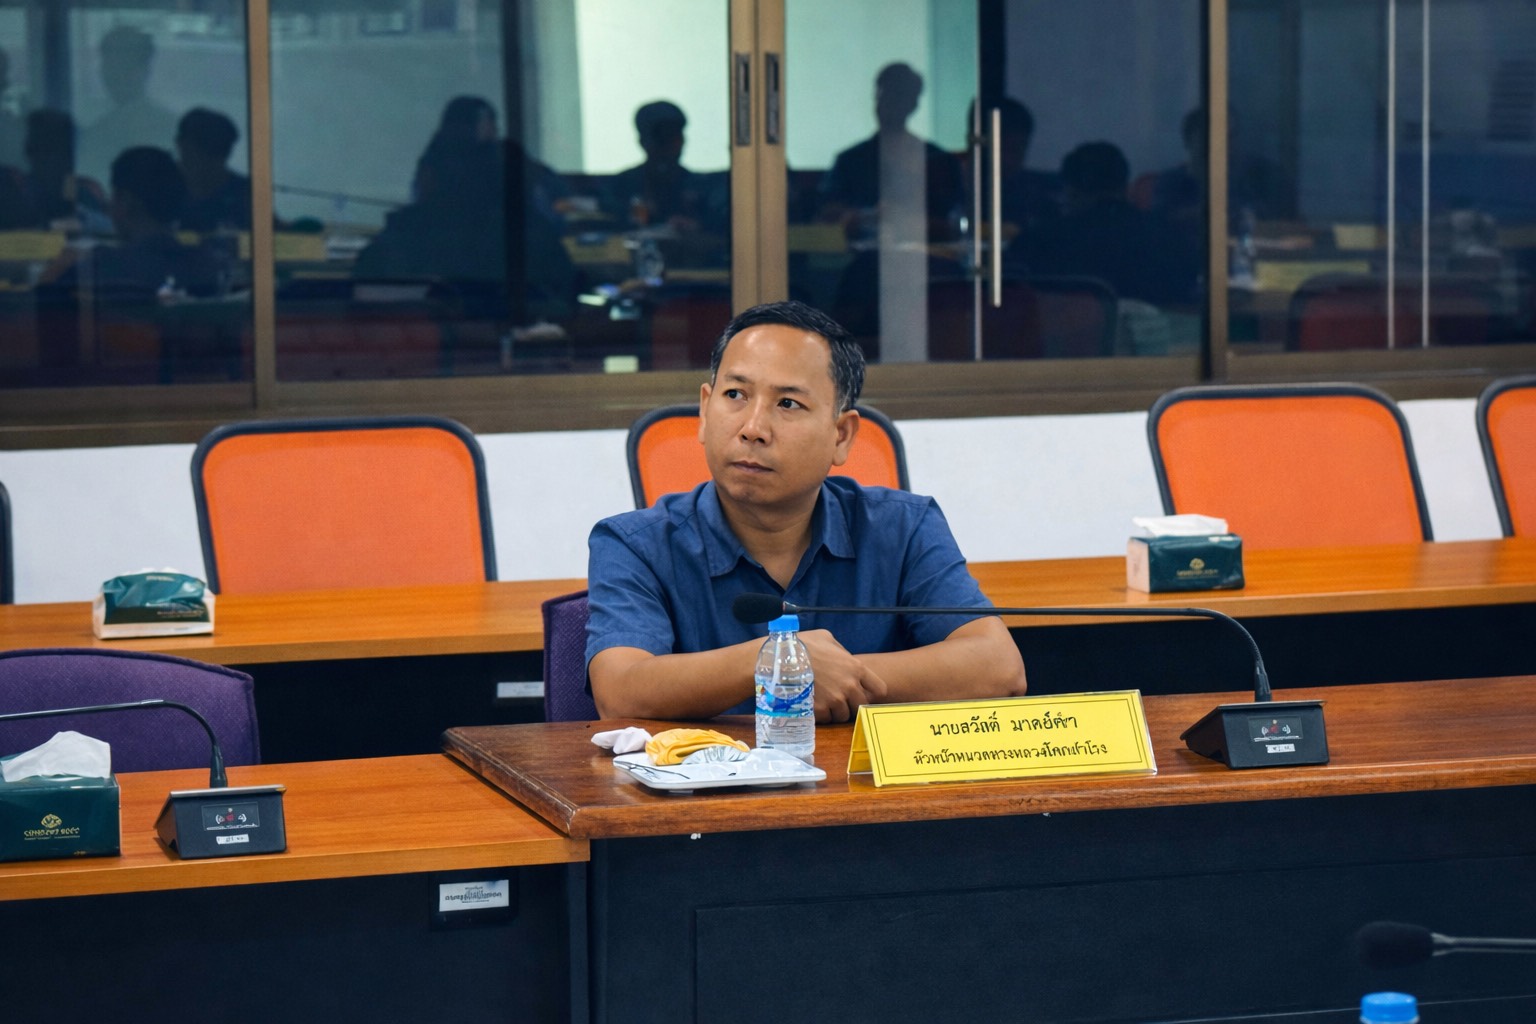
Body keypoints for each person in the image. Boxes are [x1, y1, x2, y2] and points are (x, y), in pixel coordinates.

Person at [585, 299, 1027, 721]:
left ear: (841, 435)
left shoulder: (904, 528)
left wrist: (835, 674)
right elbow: (619, 691)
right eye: (735, 394)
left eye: (788, 404)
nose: (753, 428)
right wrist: (779, 661)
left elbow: (998, 667)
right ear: (704, 410)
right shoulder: (634, 544)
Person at [78, 26, 181, 186]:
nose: (113, 74)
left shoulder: (171, 127)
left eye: (123, 66)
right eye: (108, 65)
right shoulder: (96, 131)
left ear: (144, 70)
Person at [175, 107, 251, 233]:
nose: (205, 161)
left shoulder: (244, 193)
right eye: (201, 148)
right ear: (181, 144)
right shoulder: (159, 189)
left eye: (216, 151)